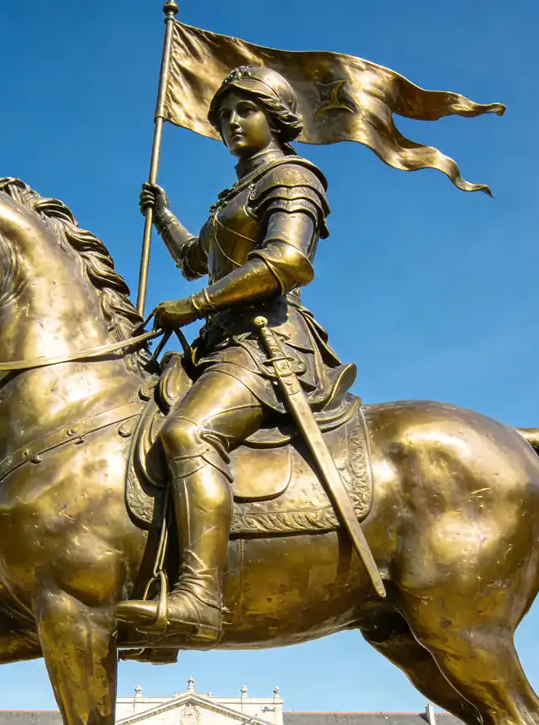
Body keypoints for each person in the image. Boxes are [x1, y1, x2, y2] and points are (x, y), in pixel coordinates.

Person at [115, 65, 344, 646]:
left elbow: (288, 263)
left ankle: (200, 597)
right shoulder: (231, 197)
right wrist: (162, 214)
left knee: (188, 435)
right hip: (218, 344)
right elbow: (197, 258)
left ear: (277, 115)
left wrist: (191, 306)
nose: (231, 123)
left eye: (245, 110)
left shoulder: (293, 175)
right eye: (223, 116)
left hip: (266, 344)